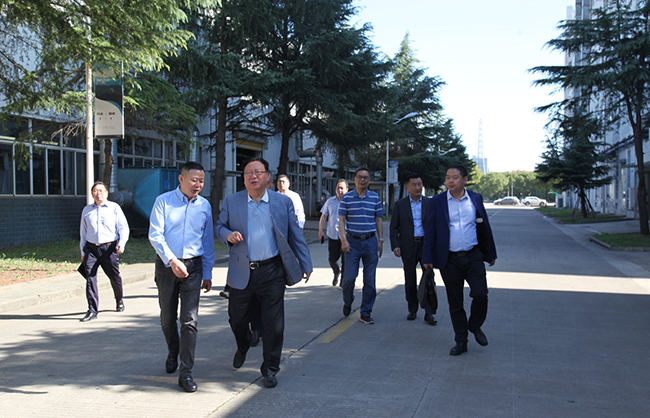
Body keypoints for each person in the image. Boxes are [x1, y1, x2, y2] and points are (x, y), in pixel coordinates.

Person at [215, 157, 312, 389]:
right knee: (237, 319)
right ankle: (244, 343)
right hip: (242, 271)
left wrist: (305, 262)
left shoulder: (281, 202)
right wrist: (226, 235)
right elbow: (219, 226)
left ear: (268, 177)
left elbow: (294, 234)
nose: (253, 176)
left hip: (272, 271)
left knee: (274, 324)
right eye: (248, 172)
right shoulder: (232, 201)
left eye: (258, 172)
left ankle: (269, 369)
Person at [148, 161, 215, 392]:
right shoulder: (163, 202)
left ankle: (186, 371)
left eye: (202, 181)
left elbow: (207, 241)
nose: (198, 185)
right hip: (168, 266)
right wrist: (172, 260)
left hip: (193, 268)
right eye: (194, 180)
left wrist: (207, 272)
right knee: (168, 318)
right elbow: (155, 235)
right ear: (181, 179)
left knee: (189, 320)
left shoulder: (205, 206)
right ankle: (172, 350)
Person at [422, 164, 497, 356]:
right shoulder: (437, 201)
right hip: (450, 260)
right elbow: (430, 232)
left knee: (481, 294)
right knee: (455, 302)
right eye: (447, 177)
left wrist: (490, 254)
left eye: (455, 177)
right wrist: (427, 258)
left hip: (473, 256)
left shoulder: (475, 199)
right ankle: (461, 341)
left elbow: (484, 227)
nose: (450, 181)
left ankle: (475, 325)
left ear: (464, 180)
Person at [78, 181, 130, 322]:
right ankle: (92, 310)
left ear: (106, 193)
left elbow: (123, 228)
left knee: (114, 276)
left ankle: (119, 299)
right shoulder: (87, 210)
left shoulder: (114, 208)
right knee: (90, 278)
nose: (98, 193)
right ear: (92, 193)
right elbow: (83, 232)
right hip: (91, 248)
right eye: (95, 191)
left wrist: (122, 243)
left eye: (101, 191)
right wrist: (82, 251)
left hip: (109, 248)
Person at [389, 173, 437, 326]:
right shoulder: (400, 205)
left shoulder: (430, 203)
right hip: (408, 246)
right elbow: (394, 228)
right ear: (408, 187)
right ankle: (412, 308)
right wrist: (395, 245)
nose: (417, 187)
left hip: (426, 246)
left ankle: (429, 312)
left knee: (428, 278)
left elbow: (436, 226)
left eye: (420, 184)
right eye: (414, 185)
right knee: (410, 280)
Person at [338, 167, 384, 325]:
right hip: (353, 243)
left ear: (369, 180)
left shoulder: (375, 198)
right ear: (355, 179)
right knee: (348, 279)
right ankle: (348, 300)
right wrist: (343, 240)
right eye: (359, 177)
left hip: (370, 242)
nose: (362, 180)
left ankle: (365, 312)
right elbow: (342, 220)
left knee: (370, 281)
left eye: (365, 177)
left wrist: (381, 240)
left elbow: (378, 220)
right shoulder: (347, 198)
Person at [318, 179, 349, 286]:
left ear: (346, 190)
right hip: (333, 235)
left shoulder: (350, 202)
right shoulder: (330, 201)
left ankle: (342, 281)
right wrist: (320, 230)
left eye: (341, 188)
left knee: (346, 261)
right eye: (337, 188)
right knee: (332, 259)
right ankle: (336, 272)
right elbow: (323, 216)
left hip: (346, 237)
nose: (339, 190)